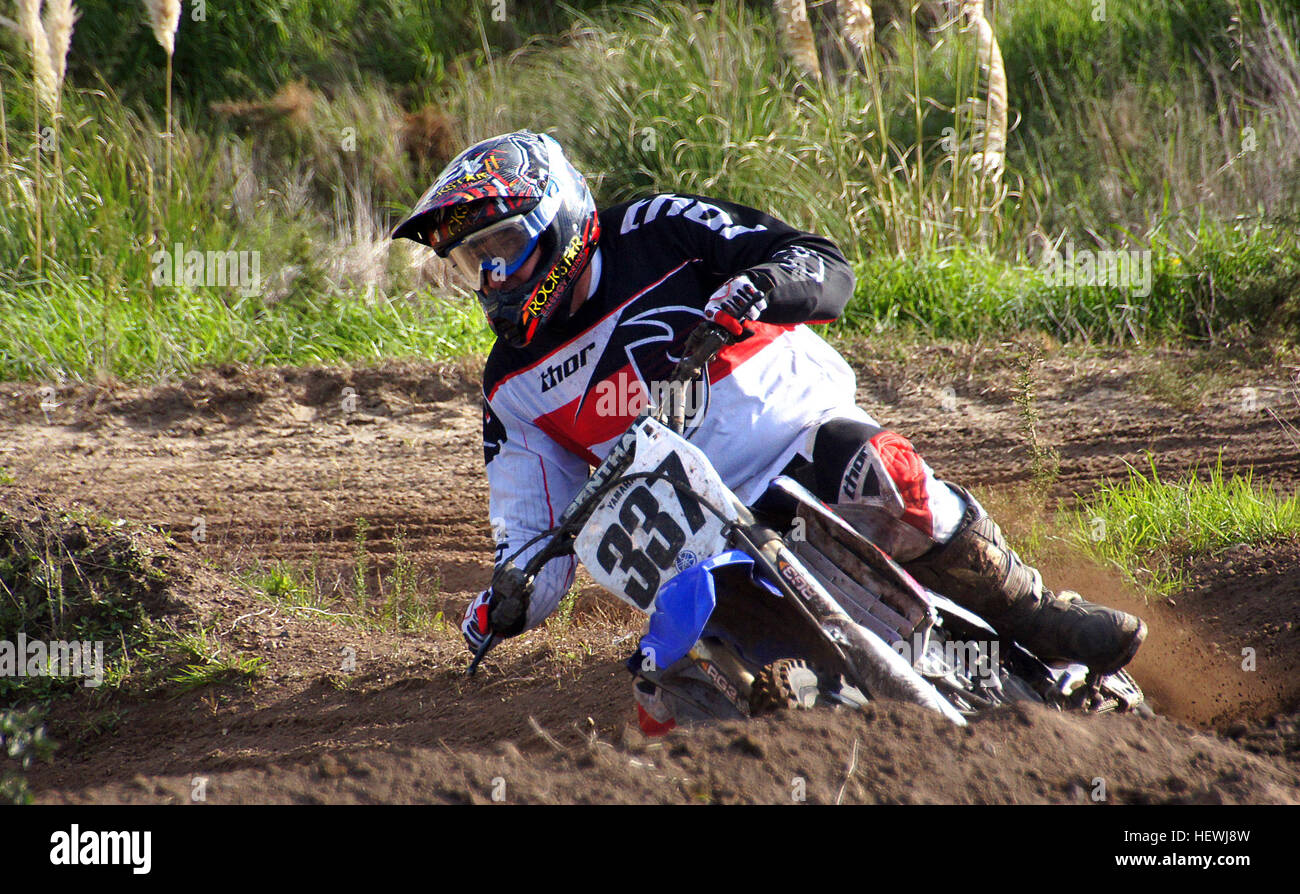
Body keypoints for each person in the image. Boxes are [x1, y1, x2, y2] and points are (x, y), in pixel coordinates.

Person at [391, 130, 1146, 731]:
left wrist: (758, 286)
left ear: (556, 218)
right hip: (695, 539)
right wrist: (509, 596)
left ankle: (1034, 611)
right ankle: (786, 754)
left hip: (799, 444)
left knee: (888, 475)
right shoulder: (511, 384)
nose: (492, 278)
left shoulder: (660, 231)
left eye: (503, 248)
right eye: (473, 262)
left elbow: (824, 266)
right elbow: (532, 526)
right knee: (672, 680)